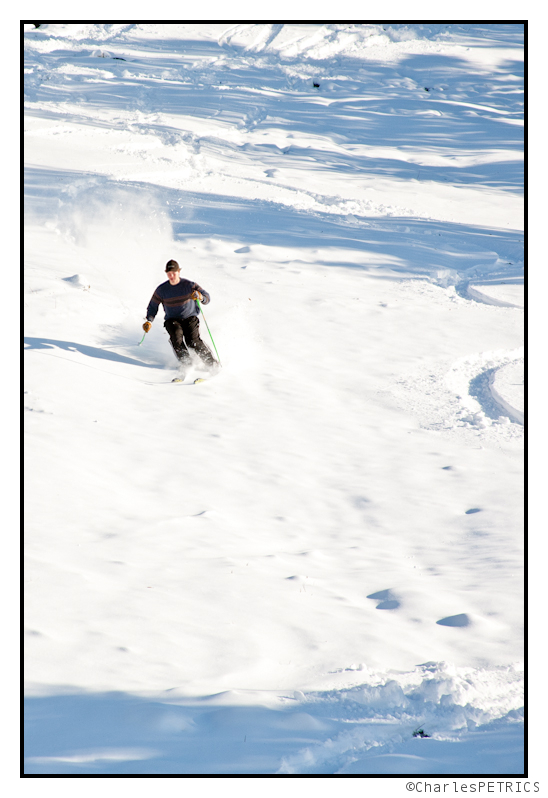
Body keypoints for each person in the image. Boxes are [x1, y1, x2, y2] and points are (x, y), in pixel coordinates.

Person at [143, 259, 218, 373]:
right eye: (169, 273)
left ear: (179, 272)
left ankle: (212, 364)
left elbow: (207, 298)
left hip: (190, 318)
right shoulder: (162, 289)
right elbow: (153, 306)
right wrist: (149, 320)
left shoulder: (189, 285)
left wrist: (199, 296)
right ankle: (186, 364)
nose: (171, 276)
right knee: (176, 339)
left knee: (192, 341)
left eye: (174, 272)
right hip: (172, 320)